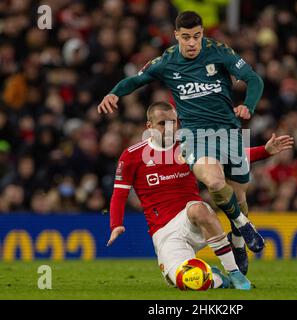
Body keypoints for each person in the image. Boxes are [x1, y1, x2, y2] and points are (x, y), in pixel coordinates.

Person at [98, 11, 266, 271]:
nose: (191, 43)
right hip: (196, 136)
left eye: (196, 37)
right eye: (186, 37)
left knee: (239, 196)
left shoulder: (219, 52)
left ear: (202, 35)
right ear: (176, 35)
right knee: (213, 181)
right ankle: (244, 226)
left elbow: (253, 79)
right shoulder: (166, 61)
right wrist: (113, 93)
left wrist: (249, 106)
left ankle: (237, 237)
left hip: (229, 132)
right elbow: (136, 80)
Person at [106, 101, 294, 288]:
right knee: (189, 281)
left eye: (174, 122)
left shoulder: (189, 144)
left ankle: (235, 273)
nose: (170, 128)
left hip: (193, 218)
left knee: (198, 208)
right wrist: (116, 224)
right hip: (164, 232)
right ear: (149, 126)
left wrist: (265, 151)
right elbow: (119, 194)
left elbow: (230, 155)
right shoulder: (132, 156)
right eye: (163, 124)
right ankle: (218, 277)